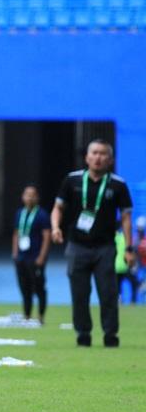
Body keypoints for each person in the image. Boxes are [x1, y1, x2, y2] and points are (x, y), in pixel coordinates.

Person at [51, 139, 135, 347]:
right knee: (79, 293)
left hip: (105, 247)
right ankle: (83, 333)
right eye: (94, 153)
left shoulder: (118, 184)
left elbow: (125, 217)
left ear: (111, 159)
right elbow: (58, 207)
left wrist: (128, 247)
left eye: (103, 154)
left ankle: (110, 334)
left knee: (108, 293)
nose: (98, 157)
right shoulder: (72, 181)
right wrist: (55, 227)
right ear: (87, 157)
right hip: (77, 246)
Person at [12, 185, 50, 323]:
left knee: (39, 287)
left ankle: (41, 315)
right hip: (22, 256)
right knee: (24, 287)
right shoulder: (19, 214)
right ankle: (27, 315)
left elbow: (47, 236)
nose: (29, 197)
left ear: (37, 197)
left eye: (32, 195)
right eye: (27, 194)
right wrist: (15, 253)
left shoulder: (42, 215)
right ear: (23, 197)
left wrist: (42, 256)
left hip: (35, 257)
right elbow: (16, 234)